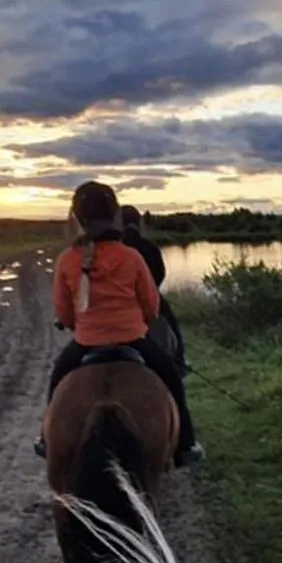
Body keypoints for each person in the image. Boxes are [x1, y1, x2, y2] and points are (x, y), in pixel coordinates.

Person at [36, 182, 203, 467]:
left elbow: (64, 314)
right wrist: (137, 320)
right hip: (133, 339)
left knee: (58, 377)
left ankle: (45, 439)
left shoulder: (66, 260)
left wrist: (77, 322)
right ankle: (185, 444)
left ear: (77, 217)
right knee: (171, 377)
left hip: (85, 343)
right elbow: (152, 307)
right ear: (113, 214)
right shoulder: (132, 256)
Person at [119, 205, 188, 373]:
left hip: (119, 302)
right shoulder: (149, 247)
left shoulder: (113, 248)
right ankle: (179, 361)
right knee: (171, 324)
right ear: (138, 222)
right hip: (149, 299)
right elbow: (160, 274)